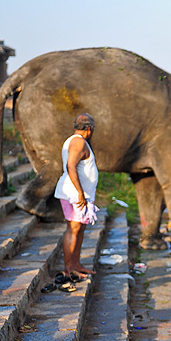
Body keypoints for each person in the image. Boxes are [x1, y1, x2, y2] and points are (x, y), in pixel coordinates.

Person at [53, 113, 99, 280]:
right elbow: (71, 166)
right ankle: (69, 268)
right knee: (73, 229)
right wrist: (80, 193)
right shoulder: (78, 142)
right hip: (74, 194)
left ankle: (76, 264)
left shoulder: (74, 141)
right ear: (89, 128)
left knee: (79, 228)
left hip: (79, 194)